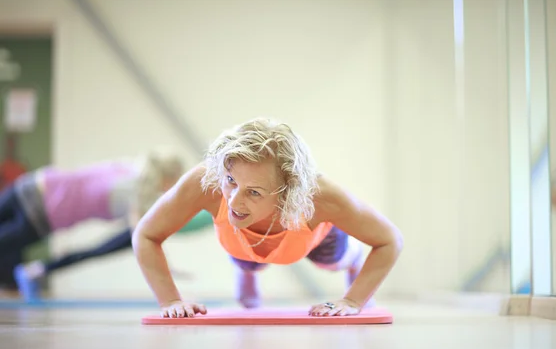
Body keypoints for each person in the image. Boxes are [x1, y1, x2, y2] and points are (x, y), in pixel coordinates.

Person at [133, 118, 404, 318]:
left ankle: (351, 259)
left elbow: (389, 240)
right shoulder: (207, 182)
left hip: (311, 239)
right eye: (231, 181)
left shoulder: (319, 197)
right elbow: (146, 234)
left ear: (288, 193)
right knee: (248, 258)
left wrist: (353, 301)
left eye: (254, 191)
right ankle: (248, 271)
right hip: (239, 241)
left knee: (333, 260)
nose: (234, 200)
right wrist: (170, 301)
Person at [0, 150, 186, 299]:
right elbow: (143, 238)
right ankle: (36, 270)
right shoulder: (137, 193)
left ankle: (36, 270)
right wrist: (167, 271)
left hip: (31, 184)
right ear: (168, 180)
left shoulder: (127, 167)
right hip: (40, 215)